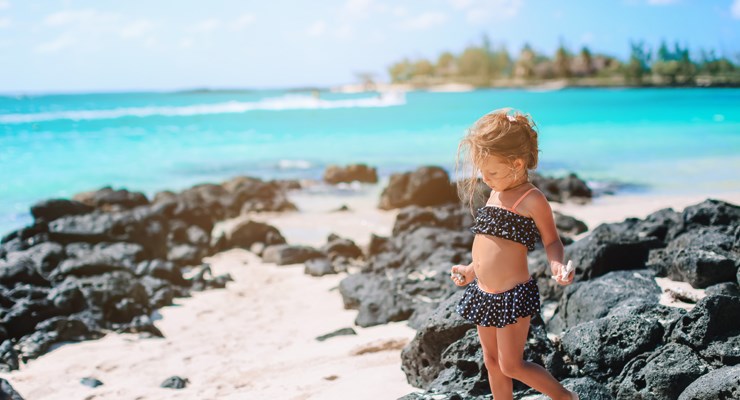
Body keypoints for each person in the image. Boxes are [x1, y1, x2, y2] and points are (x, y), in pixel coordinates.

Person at [450, 108, 578, 400]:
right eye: (482, 171)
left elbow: (552, 241)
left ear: (517, 164)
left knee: (511, 364)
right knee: (492, 362)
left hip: (511, 295)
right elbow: (489, 243)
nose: (485, 177)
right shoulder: (496, 191)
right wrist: (470, 270)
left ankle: (566, 397)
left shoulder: (531, 199)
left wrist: (558, 266)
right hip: (483, 291)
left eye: (491, 171)